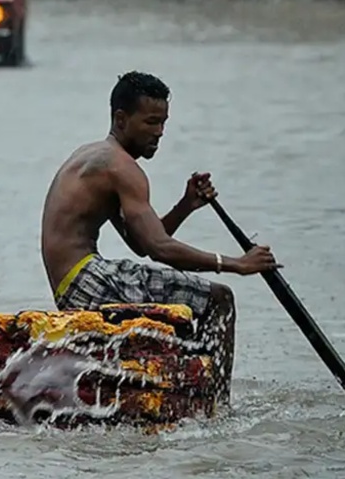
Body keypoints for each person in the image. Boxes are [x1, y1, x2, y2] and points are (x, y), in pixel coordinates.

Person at [40, 71, 281, 398]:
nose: (160, 133)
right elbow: (158, 247)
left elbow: (141, 243)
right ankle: (214, 405)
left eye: (164, 122)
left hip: (75, 284)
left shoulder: (98, 156)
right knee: (219, 299)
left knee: (187, 308)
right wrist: (237, 264)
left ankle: (182, 390)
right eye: (151, 122)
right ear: (121, 119)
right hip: (88, 280)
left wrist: (186, 205)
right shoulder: (122, 168)